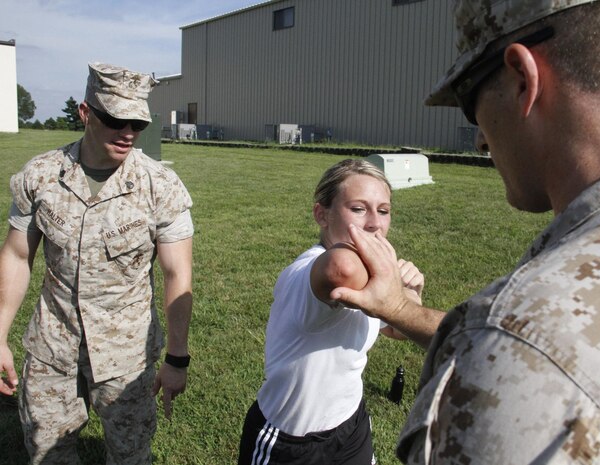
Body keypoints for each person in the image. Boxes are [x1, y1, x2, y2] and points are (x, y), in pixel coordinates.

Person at [329, 0, 600, 463]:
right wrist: (402, 310)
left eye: (470, 100)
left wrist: (483, 340)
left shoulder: (508, 353)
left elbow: (529, 343)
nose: (481, 137)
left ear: (523, 78)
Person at [0, 62, 194, 464]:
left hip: (126, 357)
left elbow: (178, 275)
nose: (127, 133)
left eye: (137, 124)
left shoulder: (161, 187)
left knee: (129, 455)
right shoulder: (39, 177)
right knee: (44, 452)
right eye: (114, 119)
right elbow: (18, 257)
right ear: (85, 112)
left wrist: (177, 358)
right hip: (53, 345)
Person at [237, 159, 426, 465]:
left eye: (383, 210)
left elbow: (397, 329)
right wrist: (393, 281)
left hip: (350, 423)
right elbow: (342, 269)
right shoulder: (309, 270)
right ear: (321, 214)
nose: (375, 224)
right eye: (358, 208)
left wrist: (411, 297)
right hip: (291, 439)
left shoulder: (372, 278)